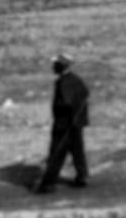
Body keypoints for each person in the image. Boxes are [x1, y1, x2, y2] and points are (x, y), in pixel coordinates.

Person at [38, 56, 91, 192]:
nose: (53, 67)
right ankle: (82, 177)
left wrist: (63, 115)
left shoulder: (63, 82)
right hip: (76, 124)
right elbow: (85, 94)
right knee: (77, 151)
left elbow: (66, 102)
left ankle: (48, 183)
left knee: (56, 153)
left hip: (64, 125)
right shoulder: (76, 80)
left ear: (61, 66)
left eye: (55, 65)